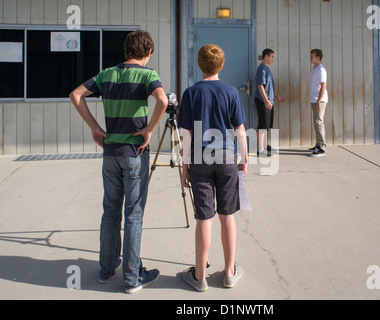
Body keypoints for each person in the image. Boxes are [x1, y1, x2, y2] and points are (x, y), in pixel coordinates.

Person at [69, 30, 168, 294]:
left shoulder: (106, 74)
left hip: (110, 152)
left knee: (110, 213)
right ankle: (132, 278)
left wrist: (94, 127)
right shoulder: (148, 75)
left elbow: (76, 94)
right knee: (133, 215)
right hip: (134, 153)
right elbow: (162, 99)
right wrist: (149, 129)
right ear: (147, 53)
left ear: (127, 51)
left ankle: (106, 269)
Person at [178, 44, 248, 292]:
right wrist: (245, 157)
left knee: (204, 218)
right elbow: (239, 129)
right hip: (227, 156)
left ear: (199, 65)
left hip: (199, 158)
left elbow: (186, 134)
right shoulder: (230, 92)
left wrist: (184, 165)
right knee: (227, 216)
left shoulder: (190, 93)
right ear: (221, 65)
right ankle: (229, 273)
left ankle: (199, 276)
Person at [254, 48, 284, 157]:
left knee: (266, 125)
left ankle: (265, 146)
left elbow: (267, 87)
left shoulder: (267, 69)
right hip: (263, 101)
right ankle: (260, 150)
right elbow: (260, 86)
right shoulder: (262, 69)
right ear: (266, 56)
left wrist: (276, 96)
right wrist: (266, 101)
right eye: (271, 56)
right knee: (262, 125)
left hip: (268, 101)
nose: (273, 59)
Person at [309, 49, 328, 157]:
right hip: (314, 99)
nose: (310, 58)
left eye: (312, 56)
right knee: (316, 123)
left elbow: (323, 86)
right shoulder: (314, 69)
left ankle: (321, 147)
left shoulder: (321, 70)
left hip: (319, 100)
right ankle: (318, 144)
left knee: (319, 122)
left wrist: (319, 101)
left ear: (318, 58)